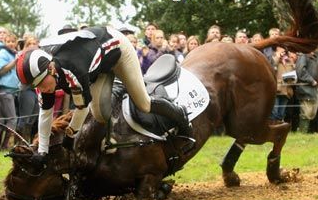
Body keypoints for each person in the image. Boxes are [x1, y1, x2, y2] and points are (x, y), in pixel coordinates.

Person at [15, 26, 191, 165]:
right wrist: (42, 151)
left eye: (40, 84)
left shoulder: (73, 71)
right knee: (99, 113)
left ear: (51, 69)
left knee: (143, 103)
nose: (39, 89)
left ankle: (180, 114)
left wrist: (70, 136)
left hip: (118, 49)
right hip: (95, 64)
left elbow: (81, 109)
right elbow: (45, 115)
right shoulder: (44, 77)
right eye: (34, 86)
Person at [0, 33, 20, 150]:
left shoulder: (15, 54)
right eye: (8, 41)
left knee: (0, 120)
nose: (11, 44)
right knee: (13, 119)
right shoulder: (3, 53)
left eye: (13, 41)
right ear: (5, 43)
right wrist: (14, 63)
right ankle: (4, 145)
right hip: (5, 91)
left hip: (13, 90)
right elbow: (0, 71)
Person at [295, 49, 318, 133]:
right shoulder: (303, 56)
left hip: (316, 88)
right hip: (306, 88)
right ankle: (302, 132)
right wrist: (311, 80)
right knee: (306, 112)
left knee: (312, 113)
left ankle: (307, 133)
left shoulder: (317, 57)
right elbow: (301, 71)